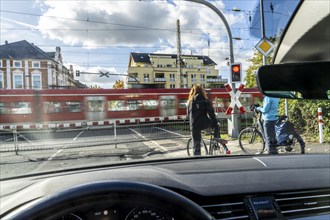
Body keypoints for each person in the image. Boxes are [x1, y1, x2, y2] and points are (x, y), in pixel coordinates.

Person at [187, 85, 225, 156]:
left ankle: (197, 160)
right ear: (202, 91)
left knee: (196, 145)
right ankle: (216, 140)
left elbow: (187, 115)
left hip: (194, 125)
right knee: (217, 125)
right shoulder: (205, 99)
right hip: (205, 123)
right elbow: (211, 112)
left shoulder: (190, 101)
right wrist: (215, 122)